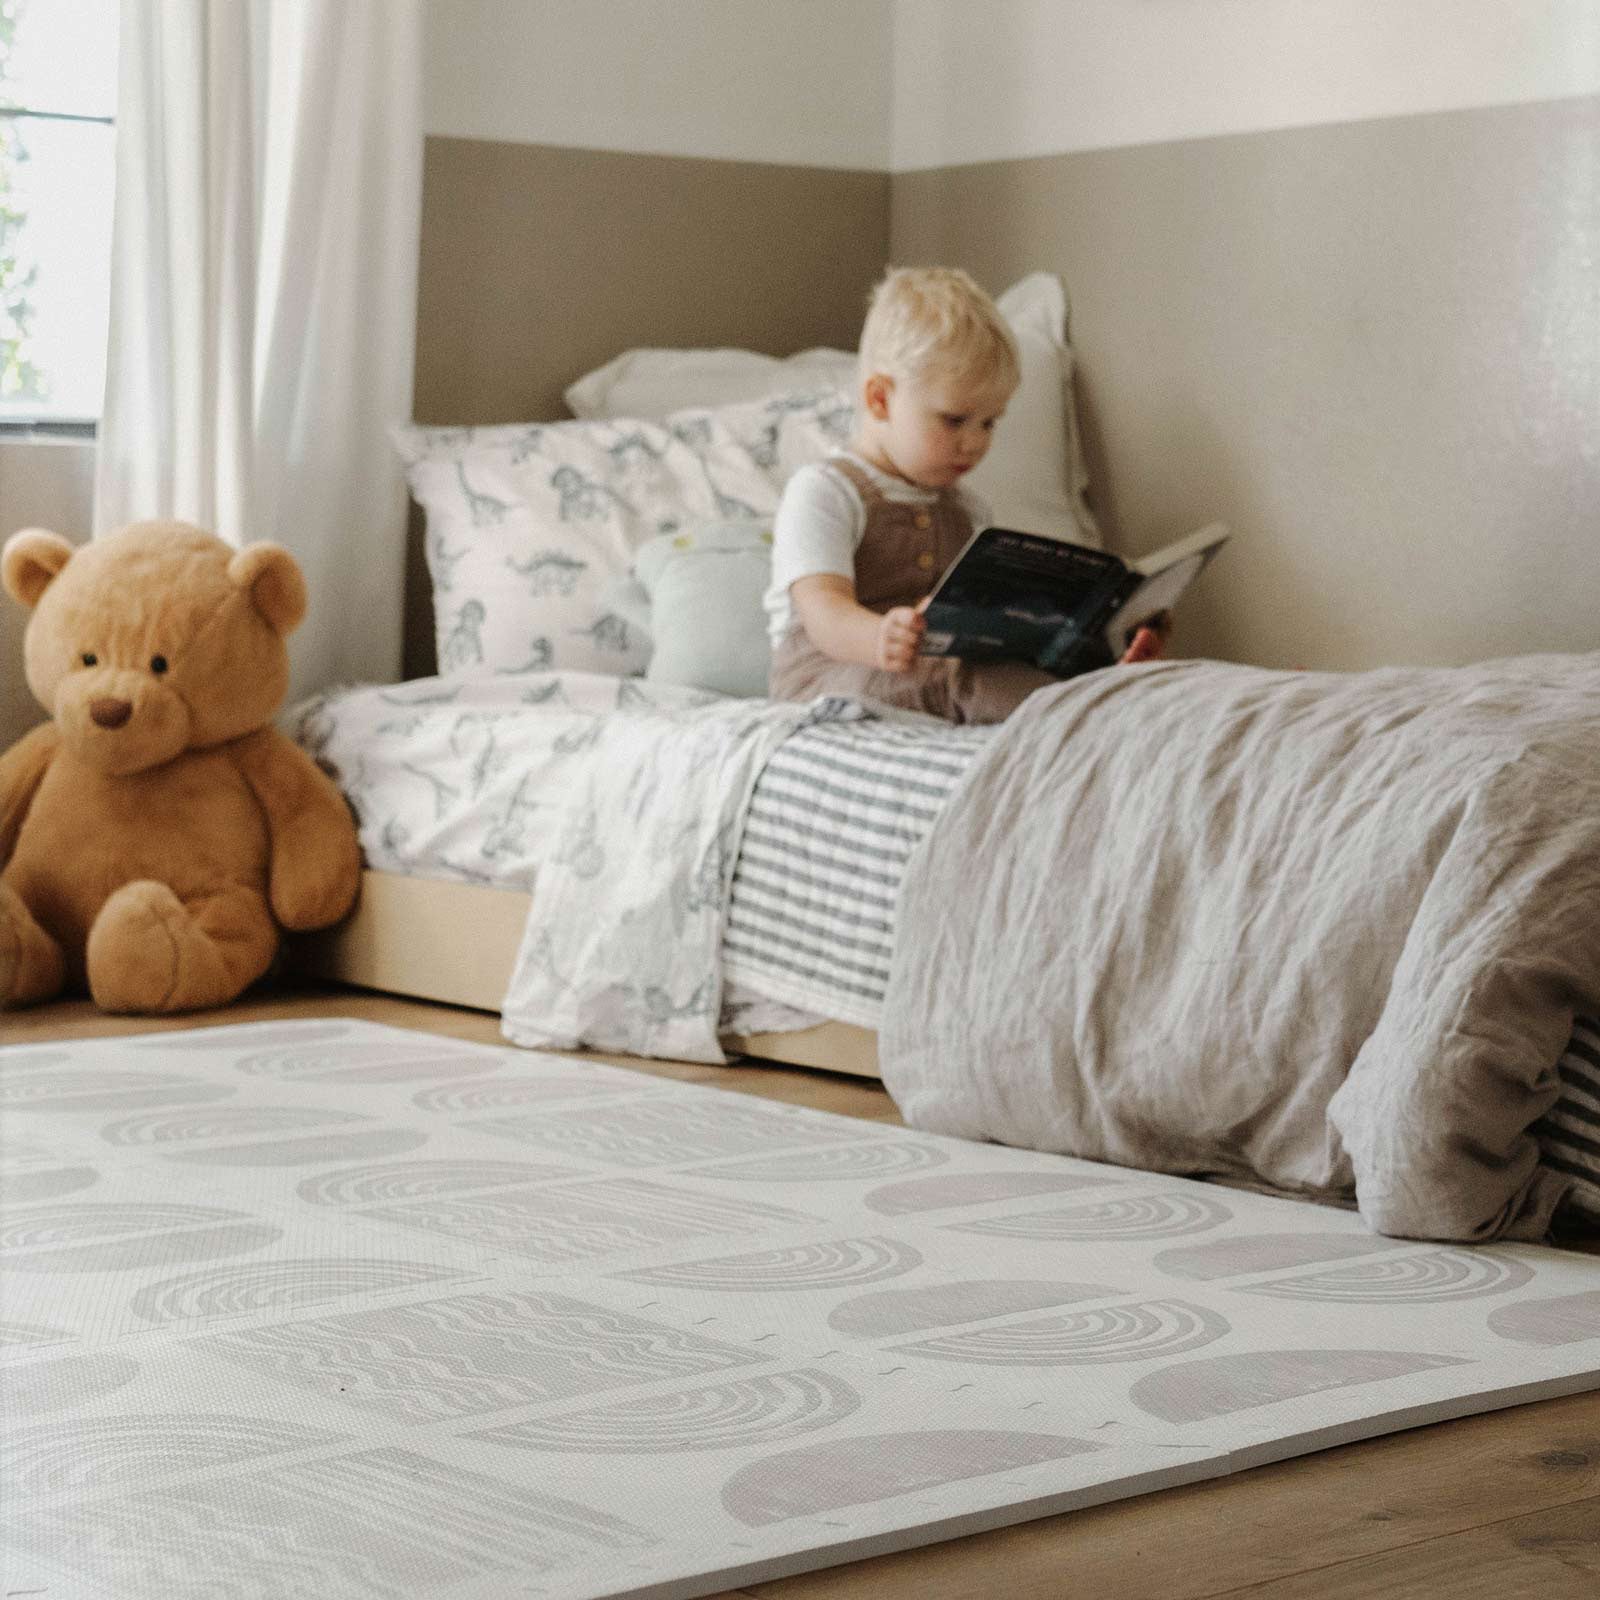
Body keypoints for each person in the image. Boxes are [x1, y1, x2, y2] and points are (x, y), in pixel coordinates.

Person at [765, 265, 1164, 723]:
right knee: (962, 679)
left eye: (989, 423)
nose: (975, 442)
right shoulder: (825, 492)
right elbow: (823, 611)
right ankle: (1086, 719)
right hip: (829, 676)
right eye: (955, 420)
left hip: (928, 671)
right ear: (880, 399)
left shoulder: (967, 509)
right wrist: (879, 637)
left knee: (993, 666)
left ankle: (1104, 682)